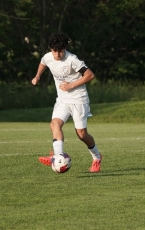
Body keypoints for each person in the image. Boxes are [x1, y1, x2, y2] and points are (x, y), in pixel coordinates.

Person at [31, 33, 102, 173]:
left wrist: (71, 85)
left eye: (61, 51)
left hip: (78, 100)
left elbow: (90, 75)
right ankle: (58, 156)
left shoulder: (72, 60)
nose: (58, 54)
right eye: (55, 51)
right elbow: (43, 62)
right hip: (63, 100)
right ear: (50, 49)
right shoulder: (48, 57)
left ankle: (97, 157)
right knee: (54, 124)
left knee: (81, 134)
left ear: (65, 48)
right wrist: (37, 76)